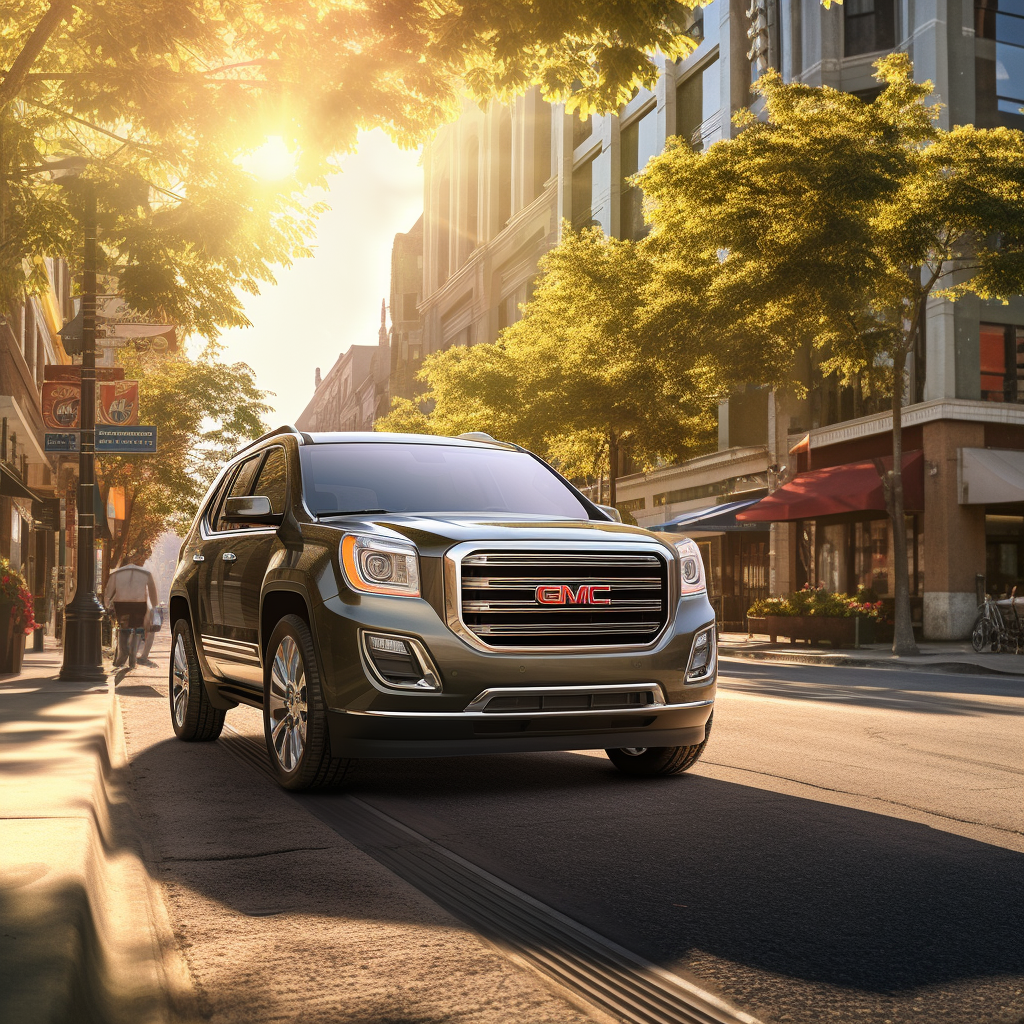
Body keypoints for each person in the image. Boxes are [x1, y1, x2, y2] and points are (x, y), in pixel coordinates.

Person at [103, 557, 158, 672]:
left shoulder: (117, 573)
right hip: (139, 604)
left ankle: (122, 658)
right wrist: (153, 607)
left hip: (121, 604)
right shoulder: (145, 573)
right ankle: (132, 658)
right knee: (137, 629)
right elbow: (153, 591)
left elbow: (108, 592)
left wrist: (108, 605)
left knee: (124, 628)